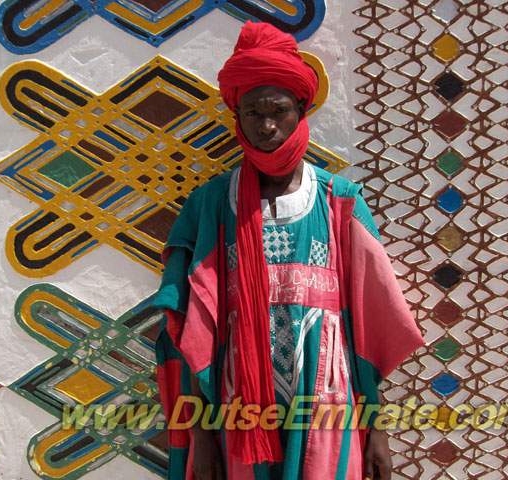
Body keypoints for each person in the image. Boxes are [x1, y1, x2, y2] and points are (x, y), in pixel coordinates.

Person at [153, 21, 424, 480]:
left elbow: (371, 326)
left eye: (278, 111)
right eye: (252, 113)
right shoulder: (211, 205)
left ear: (301, 110)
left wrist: (376, 426)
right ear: (237, 117)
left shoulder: (339, 202)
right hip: (236, 411)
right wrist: (202, 436)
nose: (267, 126)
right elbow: (190, 333)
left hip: (327, 407)